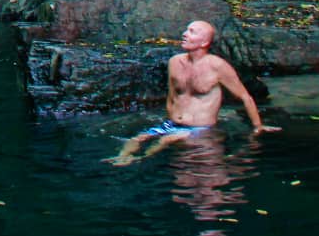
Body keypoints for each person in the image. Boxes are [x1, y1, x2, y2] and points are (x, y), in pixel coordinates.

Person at [107, 19, 280, 166]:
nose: (184, 34)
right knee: (138, 138)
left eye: (192, 32)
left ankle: (140, 160)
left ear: (204, 42)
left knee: (166, 140)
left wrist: (257, 126)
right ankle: (122, 157)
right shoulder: (174, 62)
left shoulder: (217, 66)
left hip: (200, 128)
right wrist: (171, 116)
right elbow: (172, 94)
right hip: (173, 124)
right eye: (186, 30)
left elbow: (244, 97)